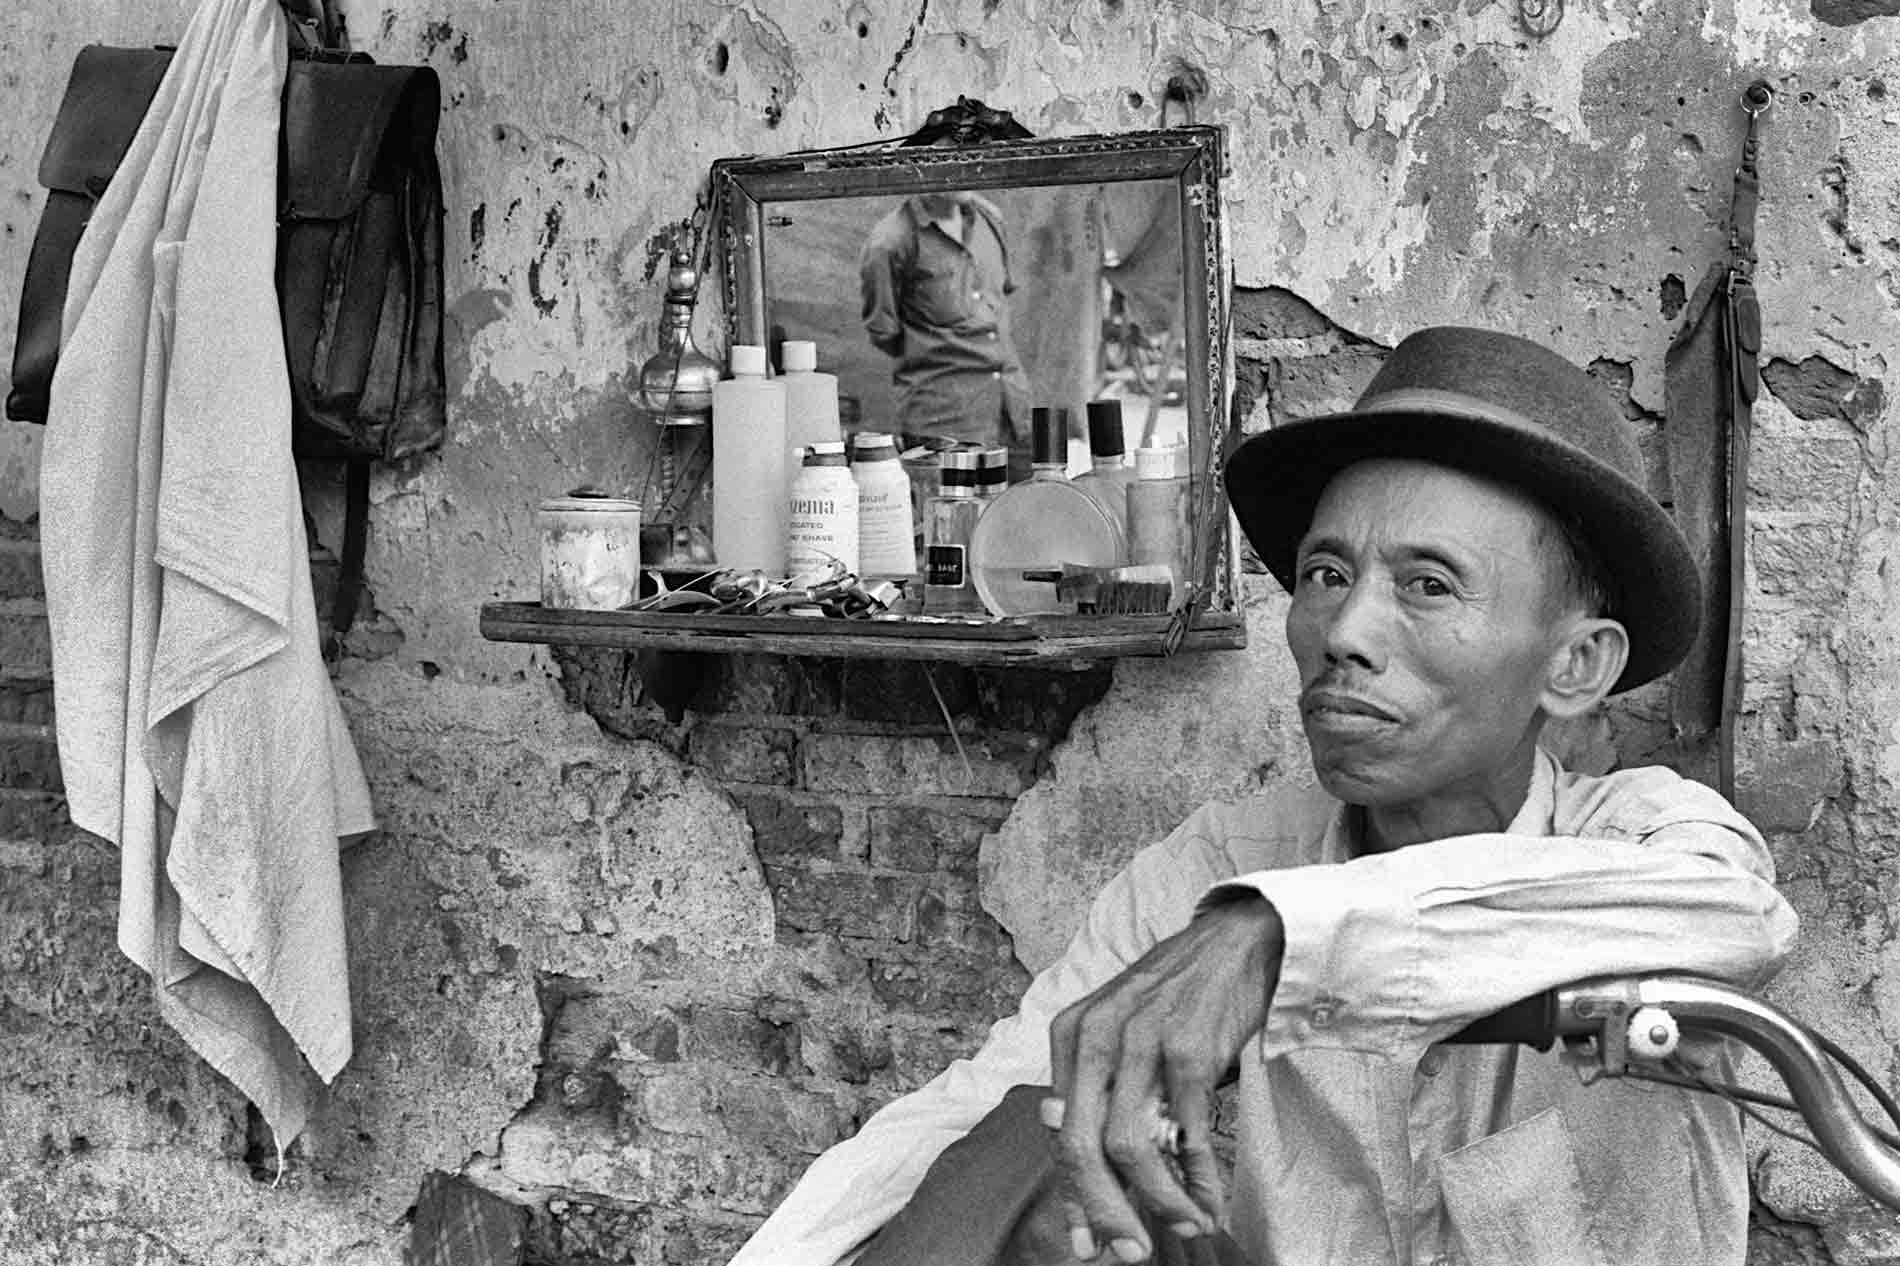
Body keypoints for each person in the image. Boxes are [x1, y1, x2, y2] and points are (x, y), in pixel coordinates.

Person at [726, 326, 1799, 1266]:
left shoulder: (1644, 842)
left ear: (1574, 667)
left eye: (1427, 586)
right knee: (1019, 1155)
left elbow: (1736, 915)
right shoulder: (1221, 865)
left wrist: (1281, 940)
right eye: (1328, 575)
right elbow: (991, 1096)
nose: (1342, 634)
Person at [858, 191, 1035, 477]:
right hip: (946, 427)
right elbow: (883, 331)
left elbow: (999, 305)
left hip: (1013, 414)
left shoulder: (989, 218)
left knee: (1022, 516)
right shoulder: (889, 241)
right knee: (952, 519)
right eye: (950, 144)